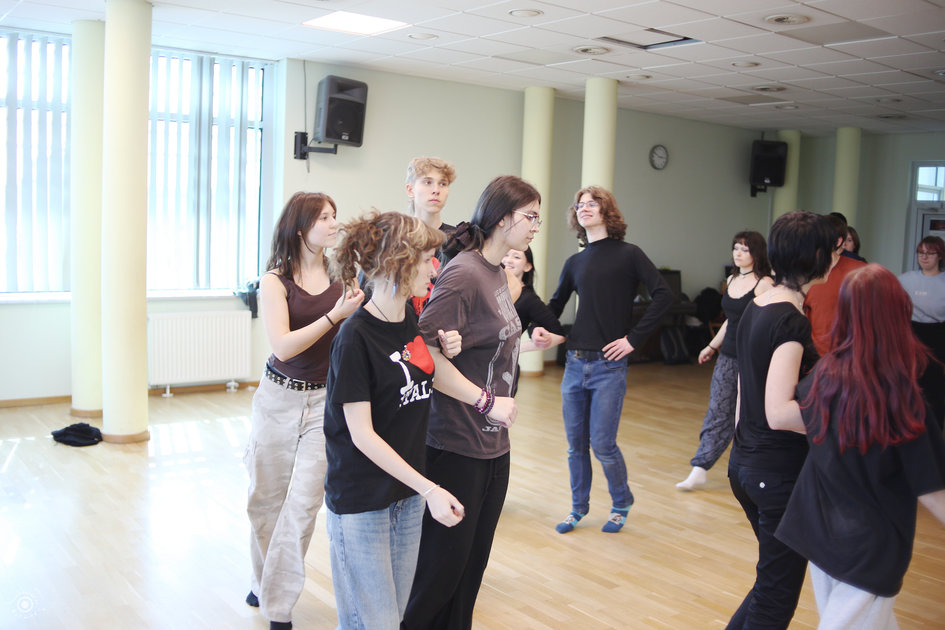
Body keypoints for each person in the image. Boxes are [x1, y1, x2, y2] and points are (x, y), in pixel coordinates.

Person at [402, 175, 539, 630]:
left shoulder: (497, 272)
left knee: (471, 568)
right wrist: (485, 402)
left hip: (493, 444)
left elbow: (484, 342)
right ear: (502, 218)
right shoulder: (464, 272)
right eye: (530, 217)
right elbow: (425, 352)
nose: (535, 226)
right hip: (456, 441)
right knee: (440, 574)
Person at [776, 264, 945, 629]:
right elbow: (933, 494)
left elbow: (790, 418)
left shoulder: (824, 375)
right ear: (898, 315)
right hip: (866, 550)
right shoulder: (902, 399)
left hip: (819, 533)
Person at [323, 211, 465, 630]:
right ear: (396, 263)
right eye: (425, 260)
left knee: (392, 618)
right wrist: (431, 488)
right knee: (373, 623)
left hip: (405, 496)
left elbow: (417, 377)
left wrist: (444, 352)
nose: (433, 269)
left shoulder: (408, 322)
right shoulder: (354, 338)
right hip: (362, 500)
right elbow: (362, 435)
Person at [244, 192, 364, 630]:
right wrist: (335, 315)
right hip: (278, 398)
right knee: (265, 502)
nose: (334, 224)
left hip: (324, 402)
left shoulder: (343, 274)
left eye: (335, 215)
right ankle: (262, 580)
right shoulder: (275, 281)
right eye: (324, 218)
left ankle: (277, 607)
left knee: (303, 506)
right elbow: (283, 346)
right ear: (300, 228)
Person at [534, 186, 673, 534]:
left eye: (591, 204)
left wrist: (633, 339)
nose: (583, 208)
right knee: (575, 447)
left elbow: (663, 295)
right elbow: (555, 306)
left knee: (603, 444)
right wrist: (540, 329)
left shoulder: (629, 255)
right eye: (579, 205)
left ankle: (621, 501)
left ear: (606, 211)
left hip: (609, 366)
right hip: (575, 363)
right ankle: (577, 508)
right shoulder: (575, 262)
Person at [726, 210, 836, 630]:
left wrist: (744, 456)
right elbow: (779, 412)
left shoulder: (757, 306)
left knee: (771, 583)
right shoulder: (790, 321)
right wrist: (841, 421)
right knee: (775, 597)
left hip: (747, 466)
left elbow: (743, 394)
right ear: (817, 256)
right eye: (832, 249)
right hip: (774, 476)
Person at [676, 231, 773, 491]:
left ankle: (750, 468)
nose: (738, 253)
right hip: (728, 356)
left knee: (749, 415)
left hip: (752, 360)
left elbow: (768, 323)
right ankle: (700, 467)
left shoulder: (765, 284)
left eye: (745, 249)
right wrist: (711, 346)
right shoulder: (731, 280)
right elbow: (731, 320)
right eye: (736, 248)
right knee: (718, 410)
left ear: (757, 253)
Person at [501, 247, 566, 393]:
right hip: (477, 362)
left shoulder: (529, 299)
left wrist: (517, 348)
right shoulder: (491, 290)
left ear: (527, 266)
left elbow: (559, 334)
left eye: (516, 257)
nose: (508, 260)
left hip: (503, 369)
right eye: (506, 255)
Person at [899, 235, 945, 429]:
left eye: (930, 253)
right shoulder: (904, 280)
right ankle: (909, 428)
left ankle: (934, 429)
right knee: (911, 382)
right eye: (921, 253)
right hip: (911, 334)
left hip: (938, 336)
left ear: (940, 256)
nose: (924, 257)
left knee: (935, 387)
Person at [803, 213, 866, 356]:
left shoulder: (859, 272)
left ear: (838, 241)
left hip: (847, 357)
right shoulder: (804, 272)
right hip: (810, 357)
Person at [405, 156, 457, 314]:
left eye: (443, 183)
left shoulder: (460, 241)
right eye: (427, 182)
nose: (436, 190)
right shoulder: (395, 239)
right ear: (410, 190)